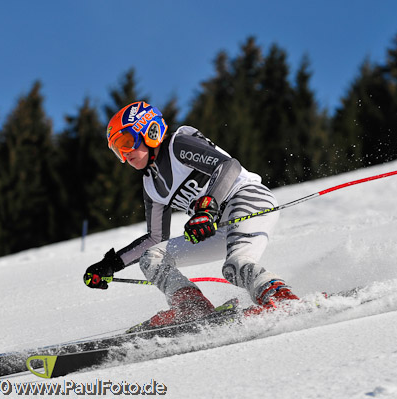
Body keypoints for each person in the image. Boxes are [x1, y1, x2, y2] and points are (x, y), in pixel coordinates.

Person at [84, 101, 298, 327]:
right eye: (118, 149)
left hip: (248, 201)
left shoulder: (177, 146)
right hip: (217, 226)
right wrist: (112, 264)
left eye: (127, 142)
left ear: (149, 131)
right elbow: (155, 238)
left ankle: (281, 299)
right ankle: (192, 308)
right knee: (152, 257)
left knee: (234, 266)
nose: (125, 155)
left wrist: (207, 206)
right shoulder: (151, 185)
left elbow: (228, 166)